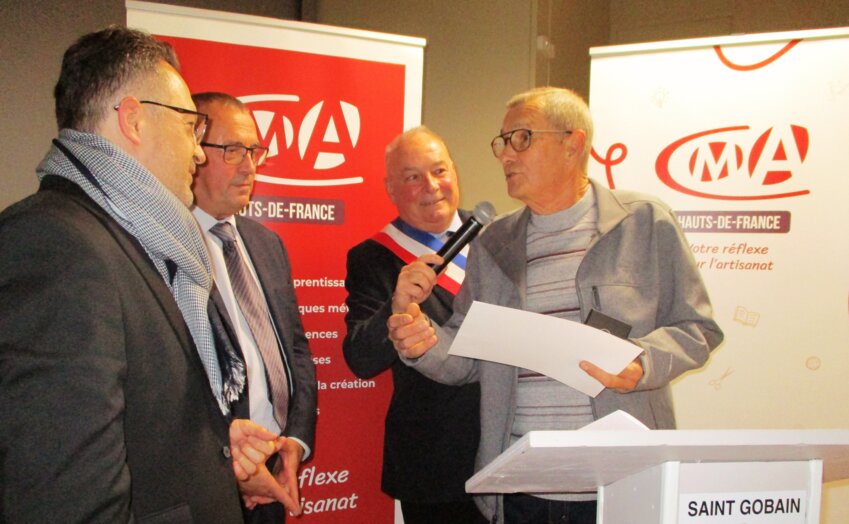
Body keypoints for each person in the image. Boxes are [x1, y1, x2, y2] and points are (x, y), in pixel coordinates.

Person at [386, 87, 724, 524]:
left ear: (573, 143)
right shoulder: (493, 243)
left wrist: (645, 363)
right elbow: (467, 356)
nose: (506, 155)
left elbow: (697, 328)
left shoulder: (643, 222)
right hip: (522, 485)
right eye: (502, 142)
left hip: (620, 481)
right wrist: (422, 344)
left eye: (521, 138)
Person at [0, 26, 287, 522]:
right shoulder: (53, 244)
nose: (198, 152)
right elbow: (65, 496)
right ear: (133, 120)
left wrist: (211, 437)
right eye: (190, 126)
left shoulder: (133, 232)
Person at [343, 127, 486, 524]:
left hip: (510, 448)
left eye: (439, 171)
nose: (432, 186)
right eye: (412, 177)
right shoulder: (373, 257)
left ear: (454, 171)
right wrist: (396, 305)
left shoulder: (498, 238)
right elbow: (360, 359)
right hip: (435, 463)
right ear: (390, 189)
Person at [191, 91, 318, 522]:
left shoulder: (266, 243)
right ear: (193, 150)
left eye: (254, 151)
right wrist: (233, 465)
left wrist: (295, 442)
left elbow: (296, 350)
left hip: (274, 468)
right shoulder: (169, 246)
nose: (249, 167)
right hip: (209, 478)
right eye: (232, 150)